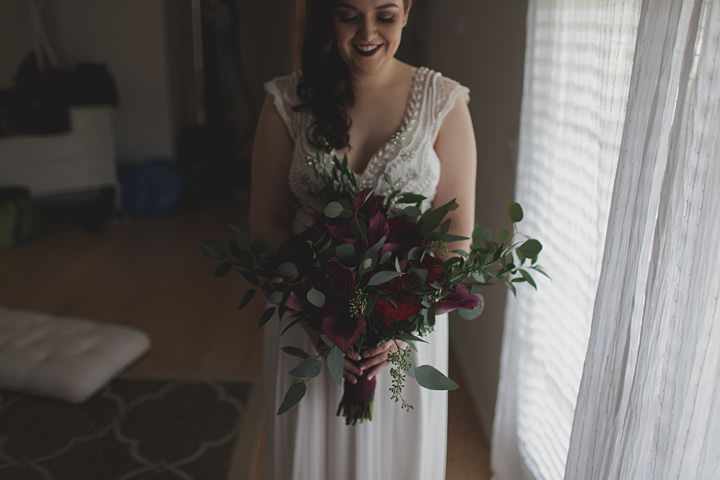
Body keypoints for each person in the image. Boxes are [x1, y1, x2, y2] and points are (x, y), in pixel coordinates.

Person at [249, 0, 477, 478]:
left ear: (408, 10)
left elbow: (456, 234)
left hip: (405, 334)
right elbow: (267, 224)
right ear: (327, 16)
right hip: (306, 323)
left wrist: (398, 325)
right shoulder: (287, 102)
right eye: (348, 15)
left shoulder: (445, 103)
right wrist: (312, 315)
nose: (367, 32)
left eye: (386, 15)